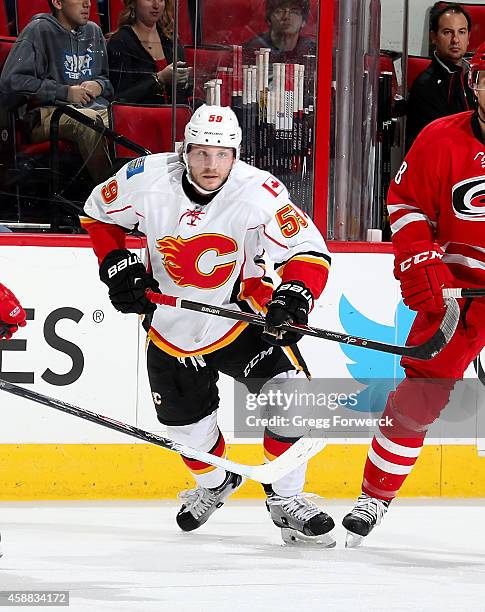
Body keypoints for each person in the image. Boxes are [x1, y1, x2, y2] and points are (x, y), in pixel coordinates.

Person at [81, 104, 335, 545]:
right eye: (201, 152)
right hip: (170, 323)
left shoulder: (260, 192)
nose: (211, 164)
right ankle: (215, 485)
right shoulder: (145, 179)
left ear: (236, 155)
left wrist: (294, 296)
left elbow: (308, 250)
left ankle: (287, 499)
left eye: (222, 154)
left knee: (292, 396)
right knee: (185, 429)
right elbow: (96, 214)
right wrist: (116, 263)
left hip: (241, 317)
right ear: (186, 150)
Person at [342, 43, 485, 547]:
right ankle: (373, 497)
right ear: (474, 84)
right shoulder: (441, 138)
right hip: (459, 295)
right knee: (419, 396)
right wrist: (421, 258)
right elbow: (405, 204)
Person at [0, 0, 113, 184]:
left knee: (124, 118)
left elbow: (107, 81)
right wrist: (65, 92)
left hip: (95, 108)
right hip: (47, 115)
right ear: (58, 2)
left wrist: (99, 85)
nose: (88, 4)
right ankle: (110, 196)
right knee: (89, 120)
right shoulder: (38, 31)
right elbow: (12, 82)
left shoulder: (94, 32)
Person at [406, 2, 475, 150]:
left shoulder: (478, 77)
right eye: (448, 32)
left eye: (461, 32)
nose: (455, 40)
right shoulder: (425, 86)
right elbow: (441, 143)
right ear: (434, 37)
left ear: (469, 37)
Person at [107, 0, 190, 104]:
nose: (156, 5)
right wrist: (159, 79)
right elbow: (120, 98)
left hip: (173, 115)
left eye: (161, 0)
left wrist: (187, 81)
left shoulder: (170, 40)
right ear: (133, 3)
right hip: (138, 116)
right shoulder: (120, 41)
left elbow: (184, 94)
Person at [243, 0, 316, 66]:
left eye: (294, 12)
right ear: (269, 19)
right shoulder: (251, 50)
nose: (286, 17)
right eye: (279, 11)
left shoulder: (313, 51)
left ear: (303, 21)